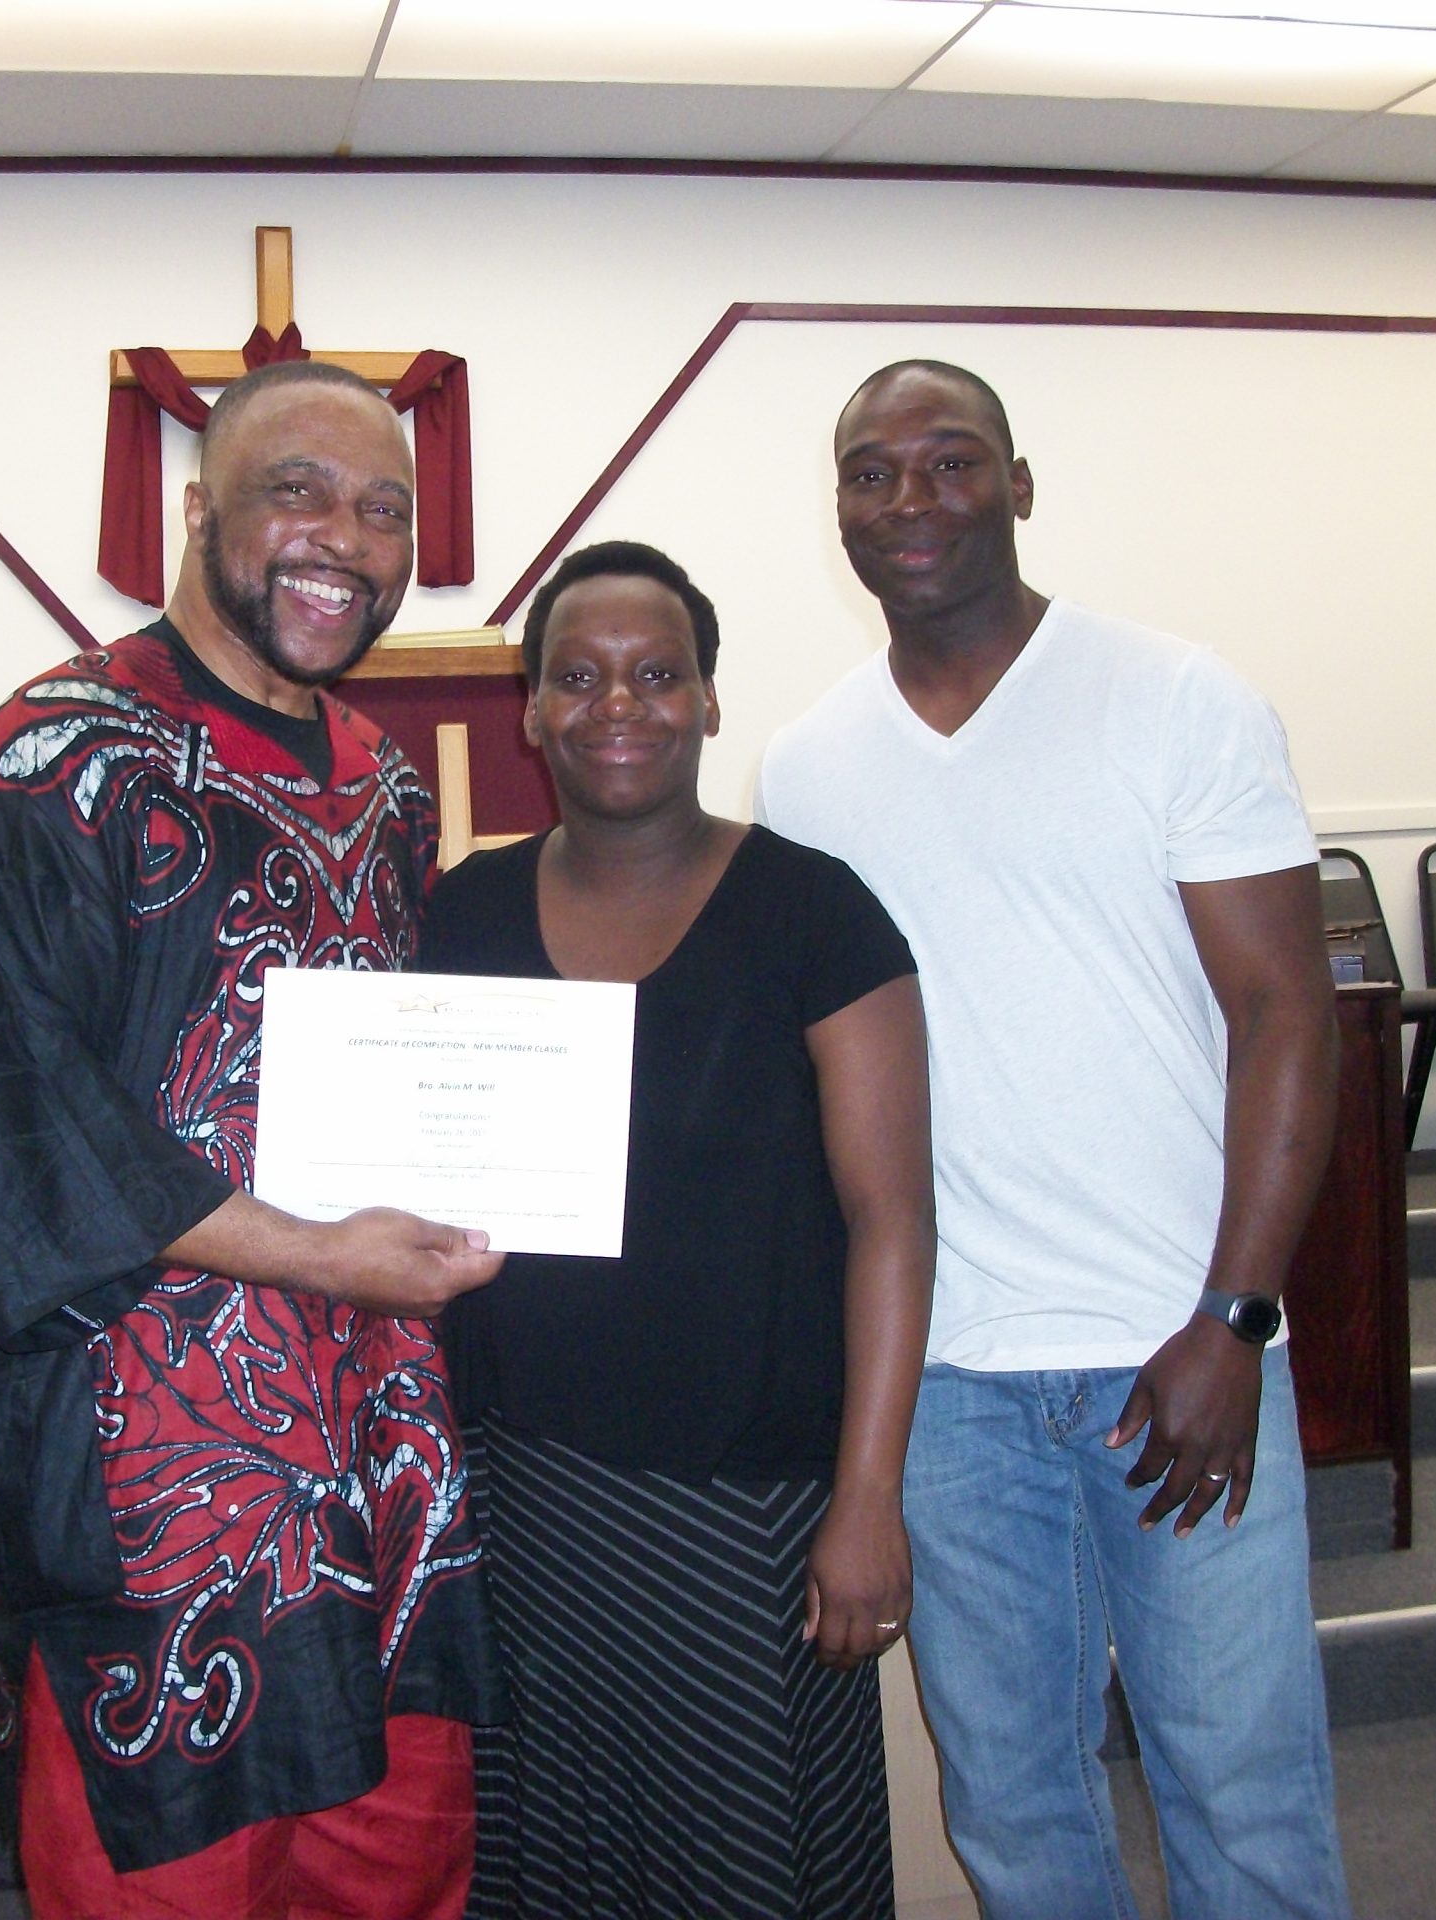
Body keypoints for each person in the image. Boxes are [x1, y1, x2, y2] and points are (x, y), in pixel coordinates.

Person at [0, 360, 506, 1920]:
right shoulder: (40, 770)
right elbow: (16, 1123)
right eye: (298, 491)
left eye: (385, 510)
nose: (346, 540)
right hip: (146, 1497)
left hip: (384, 1468)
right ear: (198, 509)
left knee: (398, 1871)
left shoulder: (387, 788)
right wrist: (319, 1254)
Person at [757, 361, 1351, 1920]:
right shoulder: (807, 769)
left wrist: (1237, 1316)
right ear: (840, 509)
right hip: (949, 1384)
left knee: (1243, 1799)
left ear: (1019, 484)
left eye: (951, 462)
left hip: (1177, 1347)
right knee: (1015, 1811)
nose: (911, 500)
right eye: (872, 472)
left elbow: (1288, 1013)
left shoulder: (1176, 696)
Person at [428, 539, 935, 1920]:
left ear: (711, 700)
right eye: (579, 677)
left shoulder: (814, 912)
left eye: (658, 675)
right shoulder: (462, 913)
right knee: (556, 1859)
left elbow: (894, 1222)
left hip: (747, 1507)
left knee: (743, 1863)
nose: (619, 706)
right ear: (531, 710)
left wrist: (869, 1497)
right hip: (527, 1496)